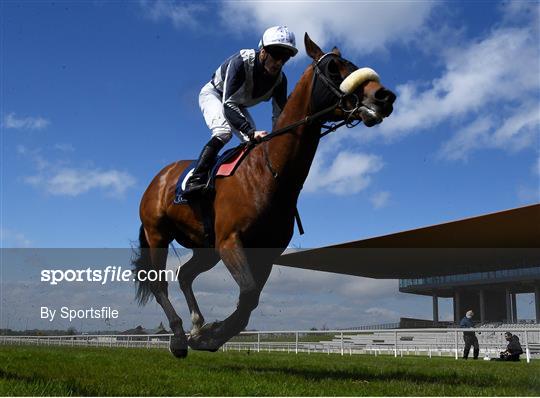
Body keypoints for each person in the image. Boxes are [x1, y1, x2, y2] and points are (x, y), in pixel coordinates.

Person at [183, 26, 298, 196]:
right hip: (216, 95)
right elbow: (228, 105)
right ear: (263, 51)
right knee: (224, 132)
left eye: (286, 58)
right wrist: (251, 132)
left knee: (255, 144)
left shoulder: (280, 80)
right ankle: (196, 178)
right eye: (276, 55)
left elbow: (279, 117)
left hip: (237, 105)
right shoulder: (240, 62)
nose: (280, 62)